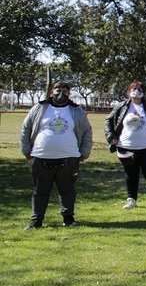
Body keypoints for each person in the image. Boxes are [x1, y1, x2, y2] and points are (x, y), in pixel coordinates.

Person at [20, 81, 92, 229]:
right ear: (51, 92)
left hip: (69, 158)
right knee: (40, 191)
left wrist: (84, 152)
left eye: (65, 90)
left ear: (69, 93)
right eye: (58, 89)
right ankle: (36, 221)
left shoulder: (76, 110)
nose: (61, 92)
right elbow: (26, 128)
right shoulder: (39, 108)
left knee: (67, 191)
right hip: (40, 157)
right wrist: (26, 150)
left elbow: (87, 131)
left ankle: (68, 219)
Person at [105, 80, 146, 210]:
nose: (136, 92)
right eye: (133, 89)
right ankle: (131, 200)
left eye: (140, 90)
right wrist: (111, 137)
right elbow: (109, 120)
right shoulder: (121, 106)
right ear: (129, 92)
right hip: (125, 146)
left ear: (144, 93)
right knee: (130, 174)